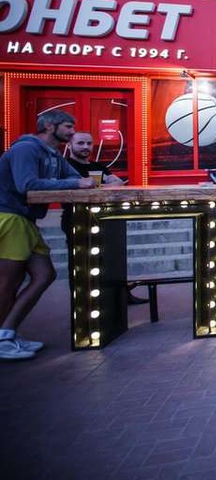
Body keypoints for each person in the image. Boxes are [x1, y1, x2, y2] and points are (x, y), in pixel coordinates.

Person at [0, 111, 94, 360]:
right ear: (49, 126)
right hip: (9, 217)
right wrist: (75, 184)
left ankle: (7, 332)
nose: (72, 132)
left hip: (25, 220)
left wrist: (80, 181)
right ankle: (2, 339)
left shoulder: (54, 155)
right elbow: (27, 184)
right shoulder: (26, 149)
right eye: (68, 127)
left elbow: (76, 177)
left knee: (45, 275)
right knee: (8, 282)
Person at [62, 132, 146, 305]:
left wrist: (95, 185)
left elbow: (119, 183)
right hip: (77, 218)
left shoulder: (97, 166)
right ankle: (82, 305)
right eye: (80, 143)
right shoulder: (66, 167)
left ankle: (120, 298)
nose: (86, 147)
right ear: (69, 145)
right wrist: (102, 185)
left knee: (112, 260)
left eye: (89, 143)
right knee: (80, 264)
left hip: (104, 218)